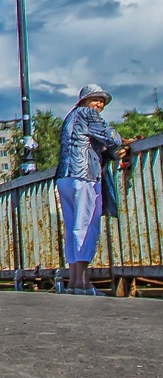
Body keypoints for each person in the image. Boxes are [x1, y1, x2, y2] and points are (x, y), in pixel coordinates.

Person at [56, 84, 130, 296]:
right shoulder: (88, 114)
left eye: (102, 102)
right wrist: (120, 143)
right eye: (96, 99)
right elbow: (111, 137)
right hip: (84, 175)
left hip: (65, 177)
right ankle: (84, 283)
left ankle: (73, 283)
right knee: (86, 226)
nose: (99, 105)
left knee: (72, 228)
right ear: (84, 101)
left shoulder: (70, 117)